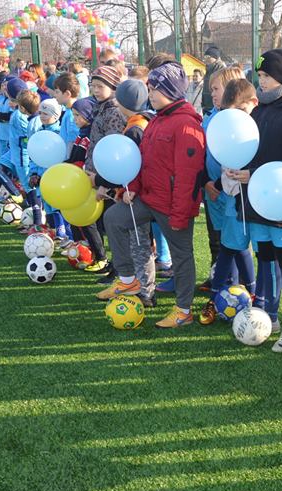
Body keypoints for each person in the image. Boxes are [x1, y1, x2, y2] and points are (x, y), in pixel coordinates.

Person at [104, 62, 206, 328]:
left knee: (182, 257)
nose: (149, 93)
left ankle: (183, 310)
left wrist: (180, 215)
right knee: (114, 218)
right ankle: (129, 281)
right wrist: (134, 187)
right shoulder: (158, 118)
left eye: (154, 88)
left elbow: (188, 176)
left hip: (172, 207)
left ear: (170, 90)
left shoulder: (186, 124)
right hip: (148, 198)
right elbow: (143, 159)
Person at [226, 48, 282, 352]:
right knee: (264, 256)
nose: (260, 81)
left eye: (265, 76)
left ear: (280, 78)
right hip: (257, 200)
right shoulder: (261, 109)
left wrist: (257, 175)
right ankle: (266, 315)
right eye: (259, 75)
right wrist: (238, 166)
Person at [199, 73, 260, 326]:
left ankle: (244, 298)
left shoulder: (257, 127)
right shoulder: (221, 123)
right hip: (229, 195)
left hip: (251, 201)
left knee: (235, 249)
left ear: (253, 103)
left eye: (240, 110)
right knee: (231, 246)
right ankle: (245, 295)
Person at [95, 79, 158, 307]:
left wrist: (126, 189)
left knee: (139, 244)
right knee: (140, 243)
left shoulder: (136, 128)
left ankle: (141, 289)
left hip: (137, 194)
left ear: (123, 102)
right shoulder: (145, 120)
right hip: (135, 191)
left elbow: (136, 164)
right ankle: (142, 289)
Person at [83, 65, 127, 283]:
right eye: (93, 86)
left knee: (113, 226)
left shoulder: (114, 112)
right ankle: (114, 265)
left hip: (109, 179)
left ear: (113, 87)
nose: (96, 90)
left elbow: (112, 149)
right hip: (97, 175)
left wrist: (105, 183)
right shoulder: (100, 108)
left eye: (100, 86)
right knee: (105, 224)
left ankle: (120, 270)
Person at [27, 98, 67, 237]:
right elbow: (34, 155)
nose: (42, 116)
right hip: (40, 177)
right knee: (47, 206)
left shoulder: (58, 133)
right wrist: (33, 173)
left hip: (52, 176)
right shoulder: (38, 133)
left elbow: (58, 157)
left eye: (46, 114)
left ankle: (63, 233)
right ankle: (53, 232)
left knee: (56, 205)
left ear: (55, 116)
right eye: (40, 113)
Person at [202, 46, 223, 113]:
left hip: (217, 107)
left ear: (215, 58)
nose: (205, 59)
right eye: (205, 57)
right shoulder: (208, 69)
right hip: (207, 107)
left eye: (208, 57)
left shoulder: (221, 70)